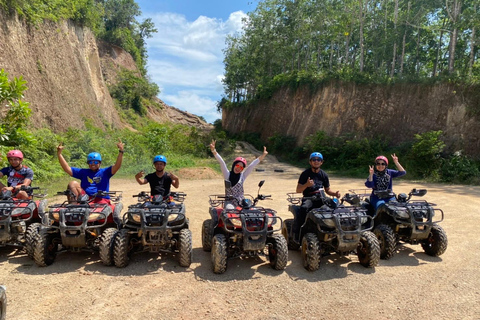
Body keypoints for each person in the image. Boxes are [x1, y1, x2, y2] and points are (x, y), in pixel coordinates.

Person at [293, 152, 341, 241]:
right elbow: (298, 190)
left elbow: (327, 190)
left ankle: (336, 231)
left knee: (336, 207)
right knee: (303, 209)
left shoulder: (324, 174)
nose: (316, 161)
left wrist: (335, 194)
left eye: (318, 160)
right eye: (314, 160)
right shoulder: (305, 174)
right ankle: (298, 232)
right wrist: (306, 185)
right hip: (309, 198)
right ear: (310, 162)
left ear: (321, 162)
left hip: (321, 197)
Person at [57, 140, 124, 202]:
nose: (92, 164)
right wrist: (59, 154)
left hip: (101, 199)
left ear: (99, 163)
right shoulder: (83, 172)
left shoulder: (105, 172)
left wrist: (121, 151)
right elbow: (67, 169)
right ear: (88, 163)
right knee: (72, 183)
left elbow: (117, 166)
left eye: (95, 162)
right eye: (90, 162)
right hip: (85, 199)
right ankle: (73, 206)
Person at [210, 140, 268, 209]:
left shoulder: (242, 176)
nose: (238, 168)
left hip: (242, 202)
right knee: (230, 211)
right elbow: (222, 162)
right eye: (237, 166)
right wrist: (214, 151)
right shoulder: (227, 174)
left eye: (241, 167)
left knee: (253, 210)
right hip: (229, 202)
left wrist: (263, 155)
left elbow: (252, 165)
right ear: (234, 165)